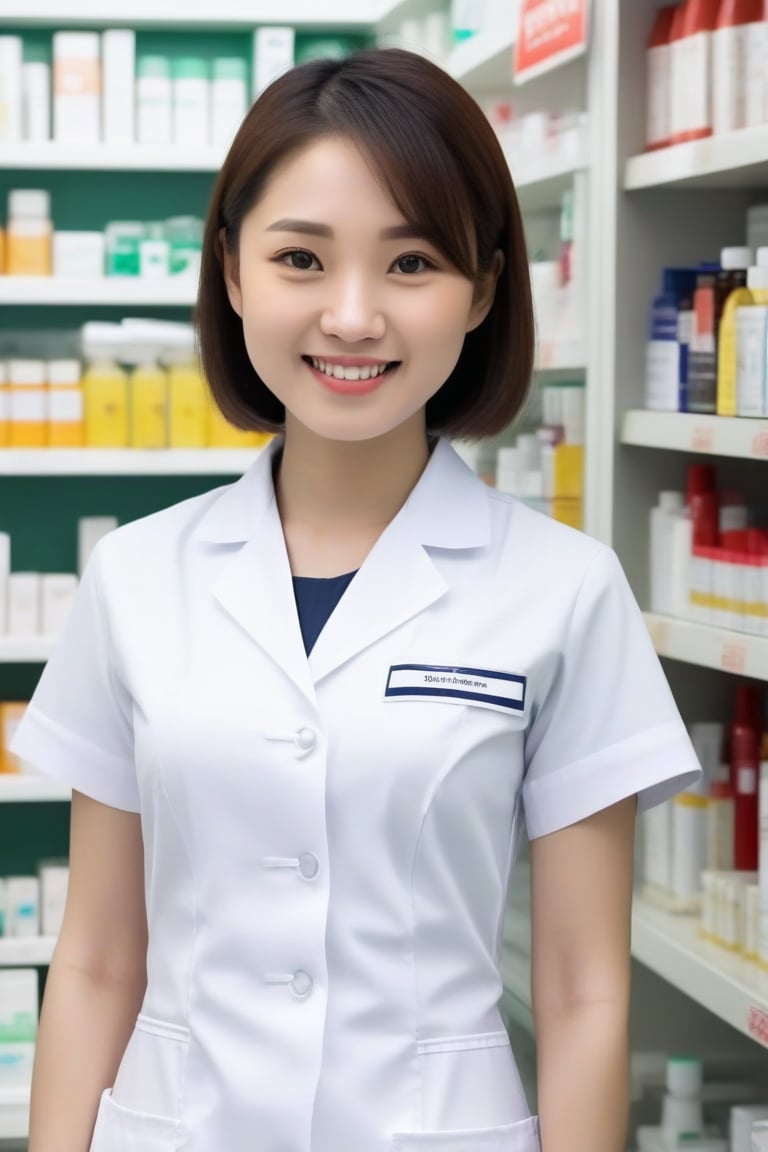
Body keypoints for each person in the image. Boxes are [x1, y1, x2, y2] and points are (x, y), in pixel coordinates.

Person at [12, 48, 701, 1152]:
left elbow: (582, 995)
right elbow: (95, 961)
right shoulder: (135, 581)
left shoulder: (566, 593)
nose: (352, 315)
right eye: (300, 258)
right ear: (234, 274)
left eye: (411, 263)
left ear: (481, 287)